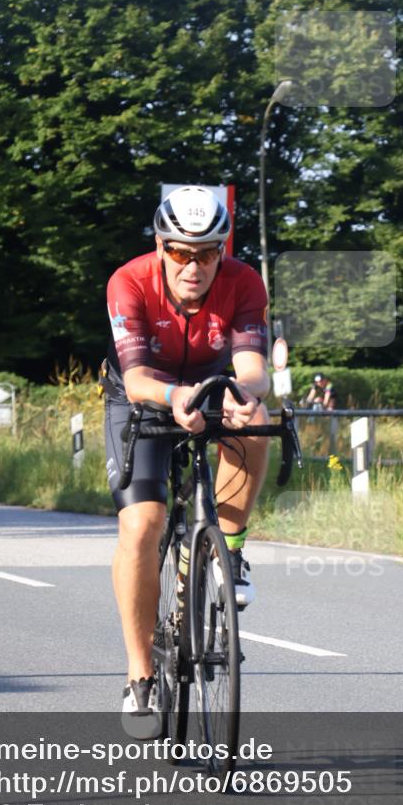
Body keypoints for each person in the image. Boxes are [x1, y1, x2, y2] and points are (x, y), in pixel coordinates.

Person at [102, 185, 270, 737]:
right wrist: (176, 398)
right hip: (142, 397)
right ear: (160, 246)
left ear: (222, 250)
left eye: (206, 253)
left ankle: (229, 553)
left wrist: (242, 394)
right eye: (179, 252)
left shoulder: (244, 281)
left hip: (211, 385)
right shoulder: (129, 281)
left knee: (257, 419)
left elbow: (252, 367)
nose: (192, 266)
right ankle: (140, 676)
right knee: (142, 524)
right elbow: (135, 378)